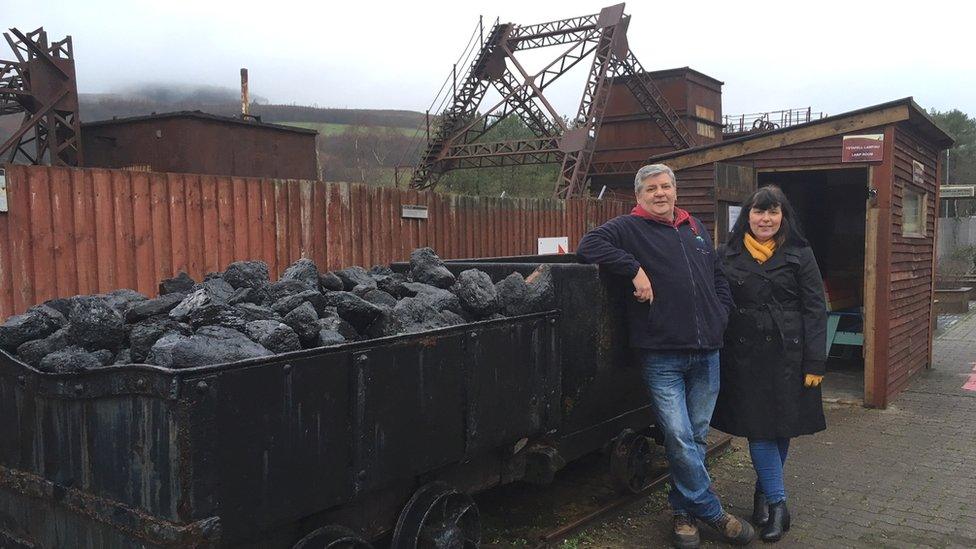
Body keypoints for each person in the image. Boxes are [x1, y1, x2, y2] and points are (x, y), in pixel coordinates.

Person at [577, 164, 755, 548]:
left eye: (665, 187)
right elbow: (588, 246)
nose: (660, 193)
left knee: (698, 435)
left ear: (675, 191)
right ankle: (712, 511)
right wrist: (634, 269)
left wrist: (720, 315)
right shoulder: (627, 228)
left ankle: (684, 512)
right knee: (677, 435)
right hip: (662, 353)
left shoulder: (695, 228)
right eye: (651, 189)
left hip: (707, 350)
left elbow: (717, 276)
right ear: (639, 196)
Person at [711, 185, 827, 543]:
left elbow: (814, 308)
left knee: (782, 427)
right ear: (748, 215)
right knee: (760, 429)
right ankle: (778, 504)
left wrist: (815, 362)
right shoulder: (726, 254)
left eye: (773, 212)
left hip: (789, 354)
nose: (766, 219)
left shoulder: (800, 253)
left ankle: (763, 495)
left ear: (783, 216)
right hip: (743, 355)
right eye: (759, 212)